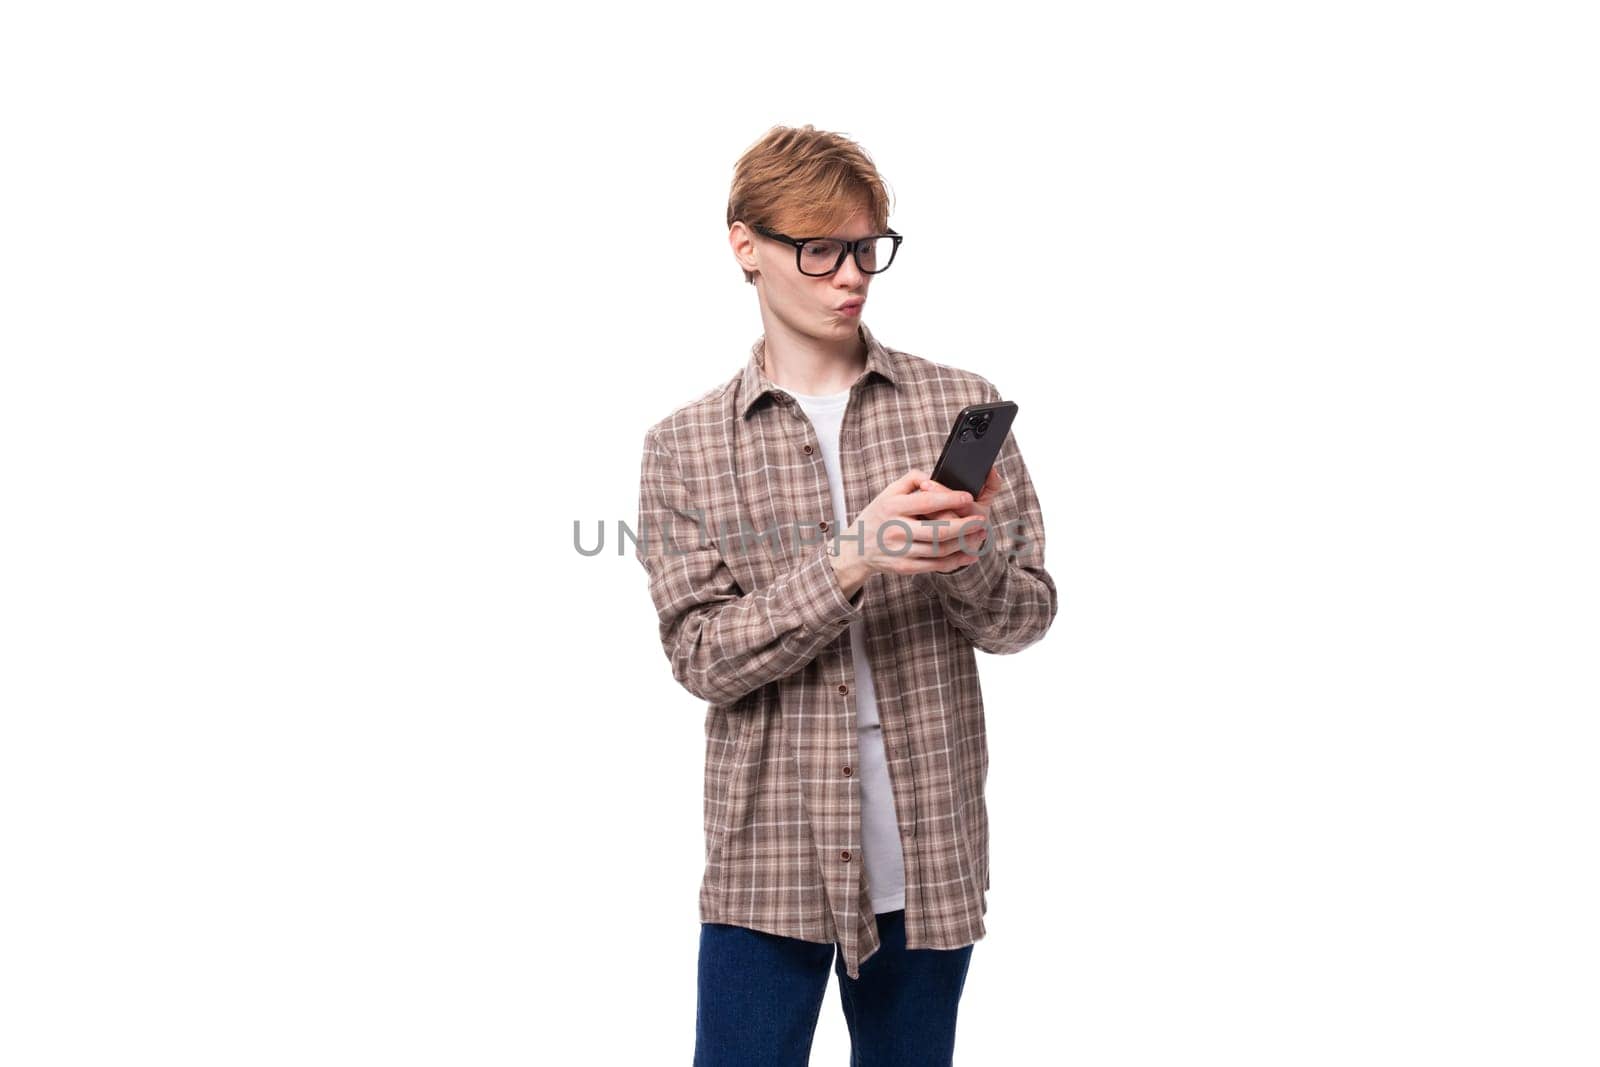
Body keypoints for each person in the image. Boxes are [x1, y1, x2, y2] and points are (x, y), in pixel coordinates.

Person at [634, 123, 1058, 1067]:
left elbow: (1028, 613)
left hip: (929, 850)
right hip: (769, 860)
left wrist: (966, 554)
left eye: (867, 248)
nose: (851, 275)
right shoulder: (684, 445)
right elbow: (703, 656)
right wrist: (852, 561)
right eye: (817, 248)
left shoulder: (956, 402)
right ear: (745, 245)